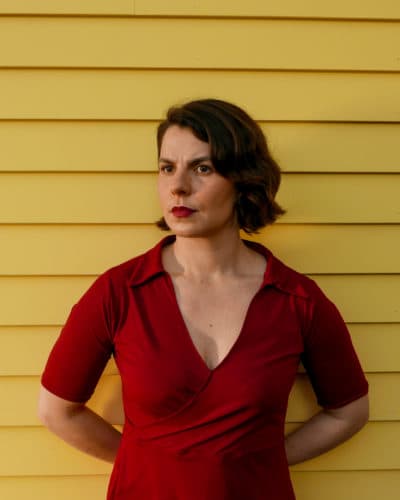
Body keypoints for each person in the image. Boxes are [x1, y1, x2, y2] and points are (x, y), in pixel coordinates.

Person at [38, 98, 369, 499]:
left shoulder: (296, 299)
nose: (178, 186)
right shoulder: (120, 292)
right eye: (167, 168)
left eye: (202, 168)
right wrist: (145, 461)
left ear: (243, 180)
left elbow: (349, 411)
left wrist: (264, 460)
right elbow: (58, 410)